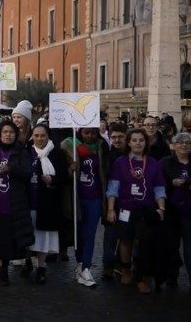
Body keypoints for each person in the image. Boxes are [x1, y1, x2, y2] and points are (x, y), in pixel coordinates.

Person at [106, 129, 167, 294]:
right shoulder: (120, 162)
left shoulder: (153, 162)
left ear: (146, 142)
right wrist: (111, 209)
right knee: (126, 240)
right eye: (134, 140)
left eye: (141, 140)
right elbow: (113, 187)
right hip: (125, 208)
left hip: (146, 209)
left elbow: (159, 188)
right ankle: (125, 269)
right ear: (129, 143)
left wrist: (161, 208)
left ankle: (141, 276)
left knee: (145, 244)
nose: (138, 143)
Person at [0, 121, 34, 286]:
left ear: (15, 134)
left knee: (7, 239)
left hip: (13, 202)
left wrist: (10, 169)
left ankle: (4, 270)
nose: (8, 135)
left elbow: (27, 173)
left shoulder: (22, 151)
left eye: (11, 132)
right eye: (5, 132)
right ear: (0, 134)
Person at [161, 132, 191, 293]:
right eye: (180, 142)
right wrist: (170, 183)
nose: (184, 145)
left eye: (187, 142)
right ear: (173, 146)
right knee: (171, 247)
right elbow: (157, 183)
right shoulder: (165, 163)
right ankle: (171, 277)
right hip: (171, 212)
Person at [25, 124, 67, 284]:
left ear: (48, 136)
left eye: (42, 135)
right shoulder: (26, 152)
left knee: (43, 236)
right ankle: (28, 261)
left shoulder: (57, 154)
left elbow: (64, 177)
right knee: (28, 233)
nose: (39, 139)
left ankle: (41, 266)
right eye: (36, 135)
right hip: (28, 199)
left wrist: (53, 180)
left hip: (47, 202)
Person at [69, 127, 110, 287]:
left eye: (93, 132)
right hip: (78, 198)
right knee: (78, 234)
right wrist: (70, 168)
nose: (90, 136)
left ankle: (86, 266)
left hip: (96, 198)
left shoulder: (102, 147)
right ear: (81, 133)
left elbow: (106, 170)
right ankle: (80, 265)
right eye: (86, 133)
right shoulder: (71, 146)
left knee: (90, 234)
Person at [102, 122, 128, 280]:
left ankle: (120, 264)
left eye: (120, 137)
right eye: (114, 137)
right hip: (110, 200)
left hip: (128, 201)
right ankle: (107, 266)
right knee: (110, 236)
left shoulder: (131, 155)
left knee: (126, 236)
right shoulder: (106, 155)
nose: (117, 140)